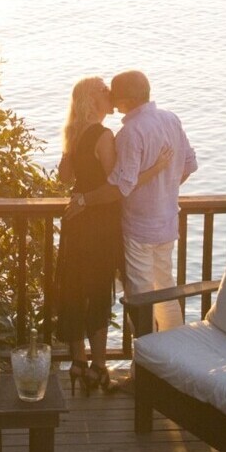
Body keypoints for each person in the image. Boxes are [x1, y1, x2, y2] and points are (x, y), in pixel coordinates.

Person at [56, 76, 172, 395]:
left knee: (76, 289)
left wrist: (72, 155)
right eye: (106, 92)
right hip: (99, 223)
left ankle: (78, 362)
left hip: (75, 222)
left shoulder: (76, 132)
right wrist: (157, 168)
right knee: (97, 289)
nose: (112, 96)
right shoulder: (104, 135)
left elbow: (64, 177)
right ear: (94, 100)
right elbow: (119, 186)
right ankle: (97, 366)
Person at [65, 70, 196, 335]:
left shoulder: (130, 133)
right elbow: (189, 166)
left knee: (140, 297)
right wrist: (165, 191)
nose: (111, 97)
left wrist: (84, 199)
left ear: (125, 99)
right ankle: (174, 359)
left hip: (138, 228)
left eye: (113, 93)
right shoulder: (171, 119)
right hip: (168, 222)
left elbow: (120, 186)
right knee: (166, 291)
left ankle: (146, 367)